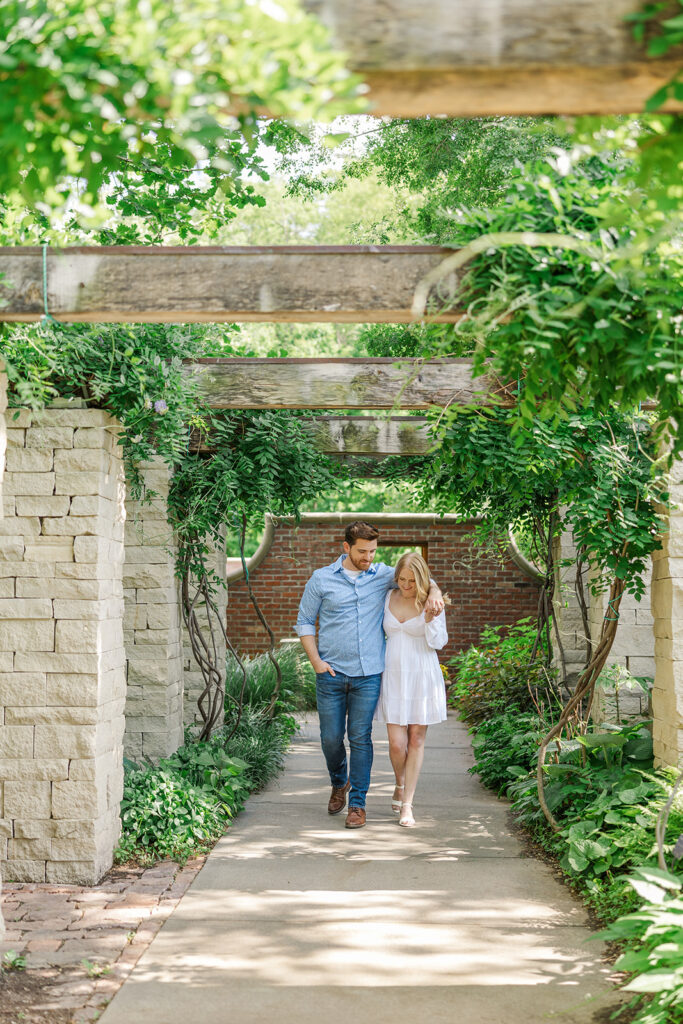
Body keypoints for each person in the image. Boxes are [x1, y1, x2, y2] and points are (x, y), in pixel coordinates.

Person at [295, 521, 444, 830]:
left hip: (369, 675)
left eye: (373, 551)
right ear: (346, 547)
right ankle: (340, 781)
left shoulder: (381, 575)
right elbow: (306, 620)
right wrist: (316, 661)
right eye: (362, 551)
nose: (369, 557)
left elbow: (417, 577)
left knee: (360, 738)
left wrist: (437, 591)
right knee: (330, 739)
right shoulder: (321, 579)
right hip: (331, 673)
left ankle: (358, 805)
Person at [374, 552, 449, 828]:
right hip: (393, 675)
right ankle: (399, 782)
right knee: (396, 743)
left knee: (416, 739)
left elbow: (439, 642)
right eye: (401, 579)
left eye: (411, 580)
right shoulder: (387, 597)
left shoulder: (431, 602)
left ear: (421, 579)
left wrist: (430, 619)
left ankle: (407, 803)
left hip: (422, 675)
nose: (405, 585)